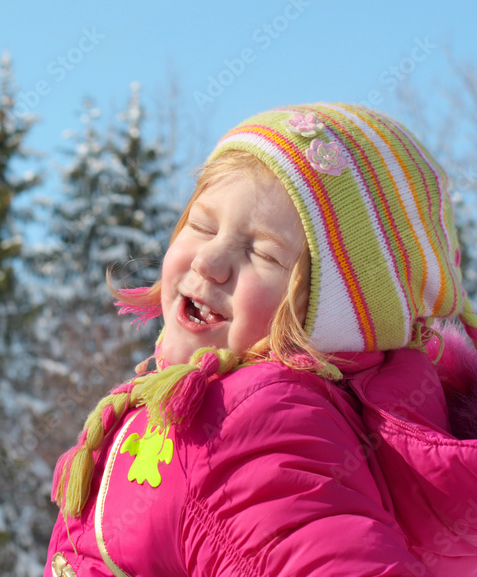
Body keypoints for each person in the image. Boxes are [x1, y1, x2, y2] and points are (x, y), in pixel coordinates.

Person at [44, 103, 477, 576]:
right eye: (202, 226)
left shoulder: (253, 422)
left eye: (263, 254)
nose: (209, 261)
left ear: (333, 316)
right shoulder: (246, 408)